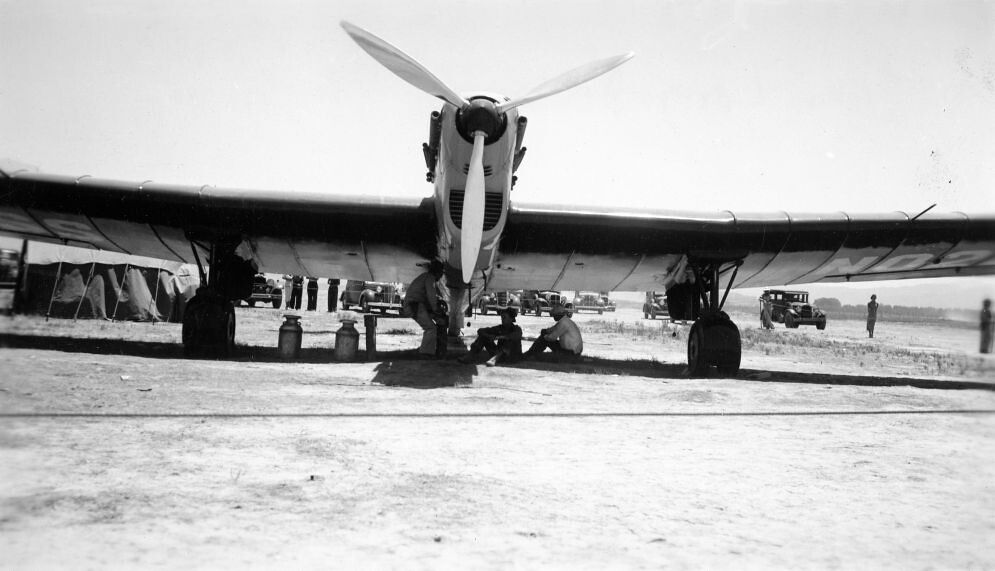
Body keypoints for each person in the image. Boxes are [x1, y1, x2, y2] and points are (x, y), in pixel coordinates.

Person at [403, 260, 446, 359]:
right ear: (437, 272)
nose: (442, 275)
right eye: (441, 273)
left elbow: (429, 298)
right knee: (431, 328)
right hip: (414, 306)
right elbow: (431, 297)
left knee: (433, 326)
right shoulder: (430, 278)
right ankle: (425, 354)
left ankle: (428, 350)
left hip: (415, 305)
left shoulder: (426, 276)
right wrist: (436, 311)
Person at [459, 307, 523, 366]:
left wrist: (498, 337)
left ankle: (495, 358)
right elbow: (480, 331)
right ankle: (470, 356)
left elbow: (515, 336)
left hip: (511, 357)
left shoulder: (516, 329)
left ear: (511, 319)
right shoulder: (500, 328)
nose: (502, 320)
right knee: (482, 337)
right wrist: (489, 336)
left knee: (510, 341)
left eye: (504, 318)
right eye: (502, 318)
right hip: (498, 354)